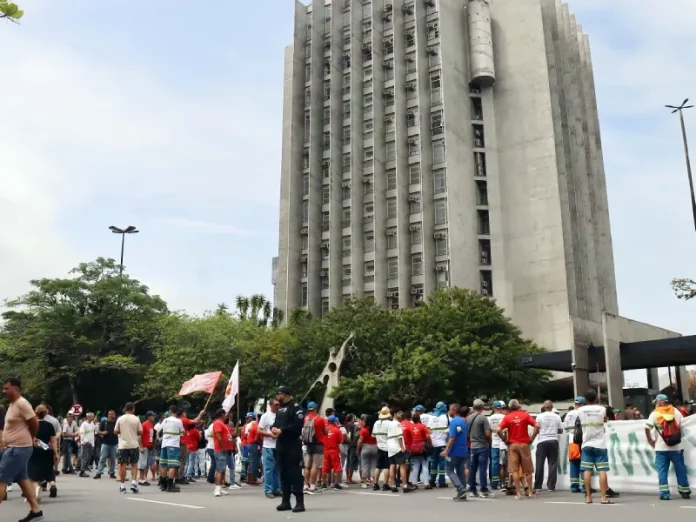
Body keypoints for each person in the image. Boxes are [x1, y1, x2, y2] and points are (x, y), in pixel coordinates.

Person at [0, 378, 43, 522]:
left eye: (6, 388)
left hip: (17, 449)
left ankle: (36, 511)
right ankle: (36, 511)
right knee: (23, 479)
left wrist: (31, 437)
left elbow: (34, 423)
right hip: (15, 448)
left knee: (1, 480)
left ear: (16, 389)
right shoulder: (13, 405)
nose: (3, 391)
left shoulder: (22, 404)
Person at [645, 394, 691, 500]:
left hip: (661, 448)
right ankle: (685, 492)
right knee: (680, 469)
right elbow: (681, 425)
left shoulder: (655, 413)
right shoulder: (676, 411)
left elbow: (647, 427)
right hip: (676, 447)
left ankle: (664, 494)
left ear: (660, 402)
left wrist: (650, 440)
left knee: (662, 470)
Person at [272, 385, 305, 513]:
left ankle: (299, 502)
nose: (277, 396)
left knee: (294, 473)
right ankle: (286, 501)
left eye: (279, 394)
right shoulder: (281, 409)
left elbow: (298, 425)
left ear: (285, 394)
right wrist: (274, 429)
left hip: (292, 445)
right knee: (284, 473)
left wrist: (283, 430)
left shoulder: (296, 408)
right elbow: (276, 423)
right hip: (281, 444)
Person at [577, 389, 612, 504]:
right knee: (602, 471)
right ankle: (604, 497)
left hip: (586, 443)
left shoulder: (581, 410)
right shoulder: (602, 409)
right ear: (596, 398)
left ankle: (588, 497)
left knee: (587, 470)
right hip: (600, 444)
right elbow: (607, 419)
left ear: (585, 399)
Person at [497, 399, 537, 500]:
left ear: (510, 407)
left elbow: (498, 429)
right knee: (528, 470)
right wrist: (532, 438)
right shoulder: (525, 415)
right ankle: (530, 493)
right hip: (524, 444)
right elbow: (537, 425)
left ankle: (519, 494)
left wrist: (504, 439)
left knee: (514, 470)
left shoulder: (508, 417)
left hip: (513, 444)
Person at [27, 404, 57, 503]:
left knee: (33, 473)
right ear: (46, 414)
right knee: (48, 470)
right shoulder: (50, 425)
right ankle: (52, 484)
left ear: (35, 413)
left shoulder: (32, 425)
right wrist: (56, 453)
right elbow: (53, 441)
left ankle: (36, 488)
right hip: (47, 451)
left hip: (34, 451)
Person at [440, 404, 469, 501]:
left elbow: (452, 438)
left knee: (449, 469)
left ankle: (460, 489)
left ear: (454, 411)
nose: (449, 412)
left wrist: (446, 451)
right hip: (463, 450)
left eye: (450, 410)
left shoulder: (453, 422)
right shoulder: (464, 422)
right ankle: (462, 492)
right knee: (460, 471)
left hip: (454, 451)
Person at [534, 400, 563, 492]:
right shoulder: (557, 416)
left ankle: (538, 485)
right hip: (553, 440)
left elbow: (537, 428)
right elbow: (560, 431)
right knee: (552, 464)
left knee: (539, 463)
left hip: (542, 441)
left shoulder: (539, 416)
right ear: (552, 407)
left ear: (544, 407)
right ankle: (551, 486)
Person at [114, 402, 143, 494]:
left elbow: (115, 431)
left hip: (123, 445)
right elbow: (140, 432)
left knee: (123, 465)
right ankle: (134, 483)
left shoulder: (120, 418)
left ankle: (122, 486)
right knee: (134, 464)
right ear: (133, 409)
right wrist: (134, 433)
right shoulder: (136, 419)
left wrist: (121, 432)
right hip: (134, 444)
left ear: (125, 409)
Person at [467, 399, 492, 497]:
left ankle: (473, 490)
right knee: (482, 468)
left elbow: (467, 433)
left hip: (473, 446)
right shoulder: (483, 418)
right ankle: (483, 489)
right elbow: (488, 433)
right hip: (483, 446)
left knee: (473, 468)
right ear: (482, 408)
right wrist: (488, 440)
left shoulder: (469, 418)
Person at [301, 401, 326, 495]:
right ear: (315, 408)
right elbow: (325, 432)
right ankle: (312, 486)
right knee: (315, 466)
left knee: (307, 466)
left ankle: (305, 485)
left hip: (308, 444)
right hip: (318, 444)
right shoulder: (320, 419)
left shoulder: (305, 419)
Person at [258, 400, 281, 499]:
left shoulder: (281, 416)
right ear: (271, 405)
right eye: (276, 405)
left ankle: (276, 489)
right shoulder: (265, 416)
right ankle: (268, 490)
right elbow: (259, 430)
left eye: (279, 405)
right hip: (268, 446)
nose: (278, 406)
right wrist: (270, 435)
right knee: (268, 470)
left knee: (277, 469)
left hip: (279, 446)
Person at [158, 406, 184, 493]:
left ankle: (163, 484)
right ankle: (170, 485)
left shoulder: (164, 420)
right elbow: (183, 432)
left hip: (164, 444)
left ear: (170, 411)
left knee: (164, 464)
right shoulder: (178, 421)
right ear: (177, 412)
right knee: (172, 465)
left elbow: (158, 430)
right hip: (173, 444)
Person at [387, 411, 413, 493]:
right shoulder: (397, 424)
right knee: (402, 466)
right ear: (394, 414)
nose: (401, 414)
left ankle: (393, 485)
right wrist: (402, 447)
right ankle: (405, 486)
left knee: (392, 465)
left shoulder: (389, 424)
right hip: (397, 447)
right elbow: (399, 437)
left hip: (390, 447)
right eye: (399, 413)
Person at [212, 409, 236, 497]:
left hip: (224, 449)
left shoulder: (223, 424)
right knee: (220, 469)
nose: (227, 416)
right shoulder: (218, 423)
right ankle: (217, 489)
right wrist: (223, 446)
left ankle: (220, 488)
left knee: (222, 470)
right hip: (220, 449)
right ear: (222, 414)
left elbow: (226, 436)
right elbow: (218, 435)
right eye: (225, 414)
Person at [563, 397, 585, 493]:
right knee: (584, 463)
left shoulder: (569, 413)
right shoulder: (584, 412)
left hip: (572, 441)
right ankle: (585, 486)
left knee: (574, 463)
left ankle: (574, 486)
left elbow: (566, 427)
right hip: (583, 440)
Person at [426, 401, 449, 489]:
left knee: (433, 462)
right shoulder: (446, 417)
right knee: (442, 463)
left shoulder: (431, 418)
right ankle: (442, 481)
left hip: (433, 443)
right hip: (443, 443)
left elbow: (428, 431)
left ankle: (432, 481)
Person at [407, 410, 430, 488]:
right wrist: (429, 442)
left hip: (414, 447)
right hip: (422, 447)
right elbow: (427, 436)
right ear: (419, 418)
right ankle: (426, 483)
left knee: (416, 465)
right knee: (425, 464)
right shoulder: (423, 426)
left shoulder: (411, 427)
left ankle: (414, 483)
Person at [372, 407, 392, 491]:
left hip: (379, 446)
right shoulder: (390, 423)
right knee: (387, 466)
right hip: (388, 447)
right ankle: (385, 484)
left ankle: (375, 483)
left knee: (378, 466)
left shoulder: (376, 423)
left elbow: (373, 435)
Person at [94, 410, 118, 480]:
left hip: (114, 443)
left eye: (112, 414)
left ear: (114, 415)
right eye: (109, 414)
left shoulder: (117, 423)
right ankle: (99, 473)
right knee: (102, 459)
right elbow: (98, 432)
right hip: (105, 443)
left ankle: (112, 473)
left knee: (113, 459)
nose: (111, 416)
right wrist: (102, 433)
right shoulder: (104, 423)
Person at [488, 401, 506, 491]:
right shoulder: (504, 417)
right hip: (503, 443)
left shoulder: (490, 418)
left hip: (494, 443)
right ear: (501, 408)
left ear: (493, 408)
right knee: (504, 464)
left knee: (494, 463)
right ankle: (505, 482)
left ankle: (495, 482)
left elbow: (489, 432)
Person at [322, 416, 344, 490]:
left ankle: (324, 484)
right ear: (335, 422)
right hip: (334, 450)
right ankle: (336, 484)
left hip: (326, 450)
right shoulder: (337, 430)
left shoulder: (324, 430)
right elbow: (341, 441)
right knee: (337, 467)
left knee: (325, 467)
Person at [357, 414, 378, 489]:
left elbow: (360, 441)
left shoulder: (364, 430)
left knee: (364, 466)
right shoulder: (376, 430)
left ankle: (364, 483)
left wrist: (358, 450)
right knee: (373, 465)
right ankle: (374, 481)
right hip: (375, 447)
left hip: (365, 447)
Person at [139, 411, 156, 486]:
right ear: (149, 417)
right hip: (145, 446)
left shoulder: (151, 425)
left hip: (150, 446)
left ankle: (144, 478)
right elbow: (140, 436)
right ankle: (141, 479)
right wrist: (141, 447)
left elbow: (152, 437)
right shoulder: (144, 425)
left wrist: (153, 447)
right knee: (143, 464)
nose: (154, 417)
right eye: (152, 416)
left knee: (147, 464)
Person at [78, 413, 97, 477]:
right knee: (84, 457)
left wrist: (96, 423)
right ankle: (82, 471)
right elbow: (82, 434)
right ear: (88, 417)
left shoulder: (92, 424)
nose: (93, 418)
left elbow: (96, 430)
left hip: (91, 444)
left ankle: (85, 468)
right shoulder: (84, 424)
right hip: (85, 444)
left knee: (88, 457)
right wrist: (86, 441)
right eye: (92, 417)